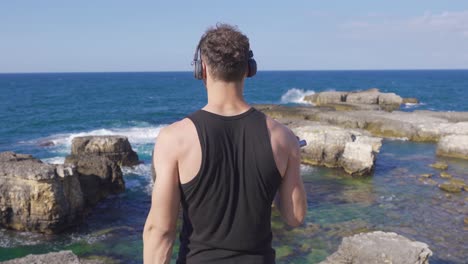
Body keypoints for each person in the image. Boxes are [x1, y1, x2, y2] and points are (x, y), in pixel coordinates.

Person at [143, 23, 307, 264]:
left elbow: (160, 230)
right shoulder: (283, 137)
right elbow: (295, 217)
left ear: (202, 69)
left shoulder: (174, 139)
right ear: (249, 69)